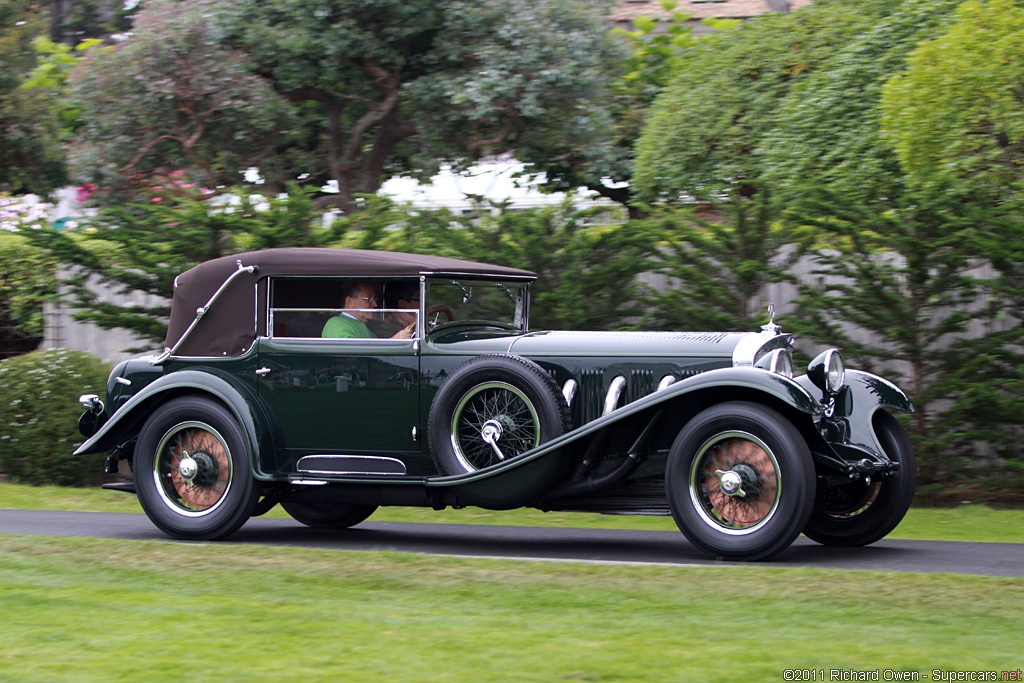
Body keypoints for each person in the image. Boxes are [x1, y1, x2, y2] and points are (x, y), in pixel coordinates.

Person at [322, 281, 414, 339]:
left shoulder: (365, 327)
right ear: (350, 302)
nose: (375, 304)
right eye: (368, 299)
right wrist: (394, 341)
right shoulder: (337, 324)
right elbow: (351, 357)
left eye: (374, 299)